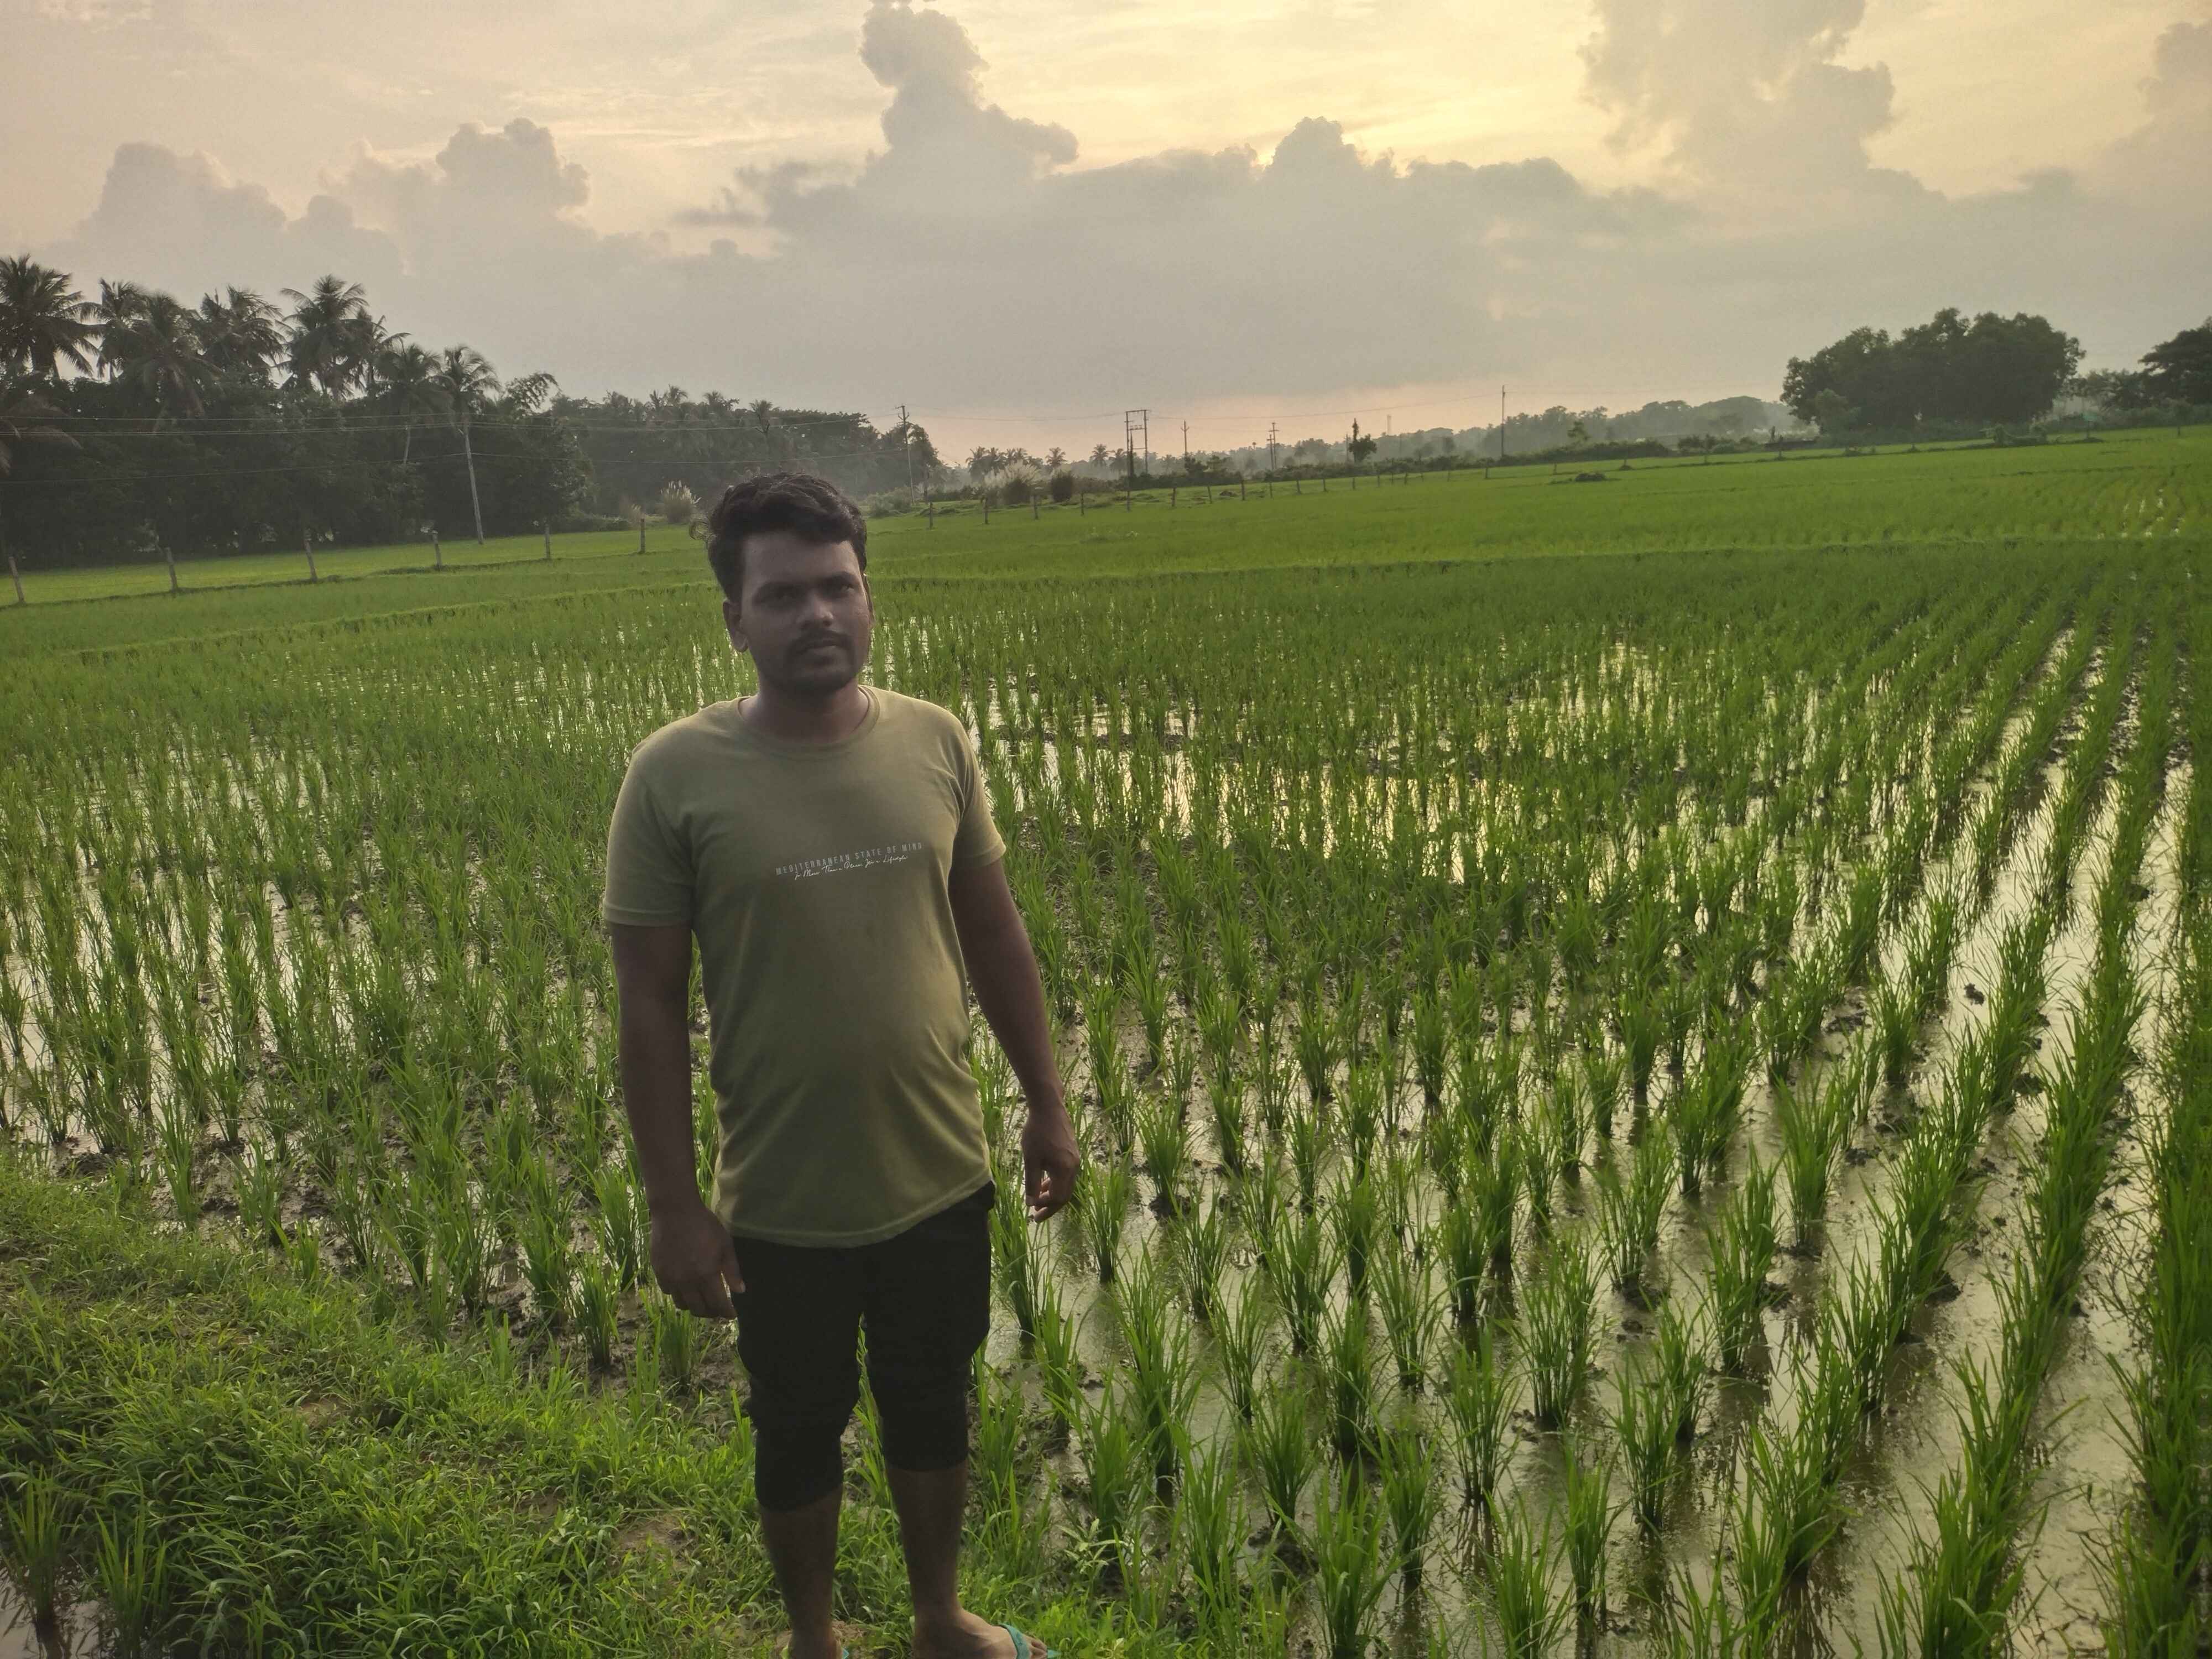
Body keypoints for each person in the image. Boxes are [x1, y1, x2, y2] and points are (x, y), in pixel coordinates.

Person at [601, 473, 1080, 1659]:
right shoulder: (672, 775)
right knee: (796, 1427)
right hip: (781, 1201)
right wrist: (673, 1208)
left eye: (838, 587)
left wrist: (1047, 1103)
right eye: (783, 595)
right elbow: (648, 1004)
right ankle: (812, 1639)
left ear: (868, 598)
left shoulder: (934, 739)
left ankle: (938, 1620)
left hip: (939, 1176)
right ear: (735, 619)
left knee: (932, 1405)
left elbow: (995, 934)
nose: (817, 613)